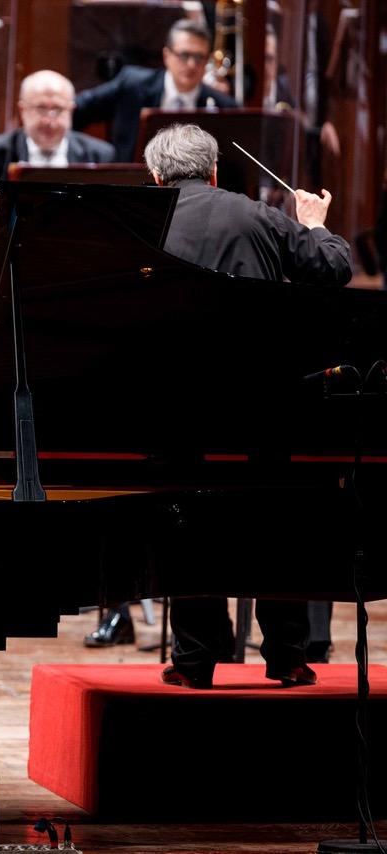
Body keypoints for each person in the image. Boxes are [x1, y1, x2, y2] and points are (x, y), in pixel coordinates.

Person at [143, 123, 351, 688]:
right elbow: (333, 269)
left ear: (156, 177)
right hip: (265, 407)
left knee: (187, 528)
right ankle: (287, 657)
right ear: (214, 171)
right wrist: (315, 226)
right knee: (275, 527)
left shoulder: (141, 222)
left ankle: (194, 662)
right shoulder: (258, 215)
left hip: (175, 411)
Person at [0, 70, 116, 265]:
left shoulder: (99, 154)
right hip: (11, 260)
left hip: (76, 262)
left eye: (58, 109)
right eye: (41, 108)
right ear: (22, 110)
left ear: (71, 110)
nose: (49, 121)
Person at [73, 19, 238, 163]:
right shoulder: (132, 85)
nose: (191, 65)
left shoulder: (224, 107)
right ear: (167, 56)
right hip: (133, 187)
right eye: (184, 55)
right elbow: (80, 109)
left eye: (199, 57)